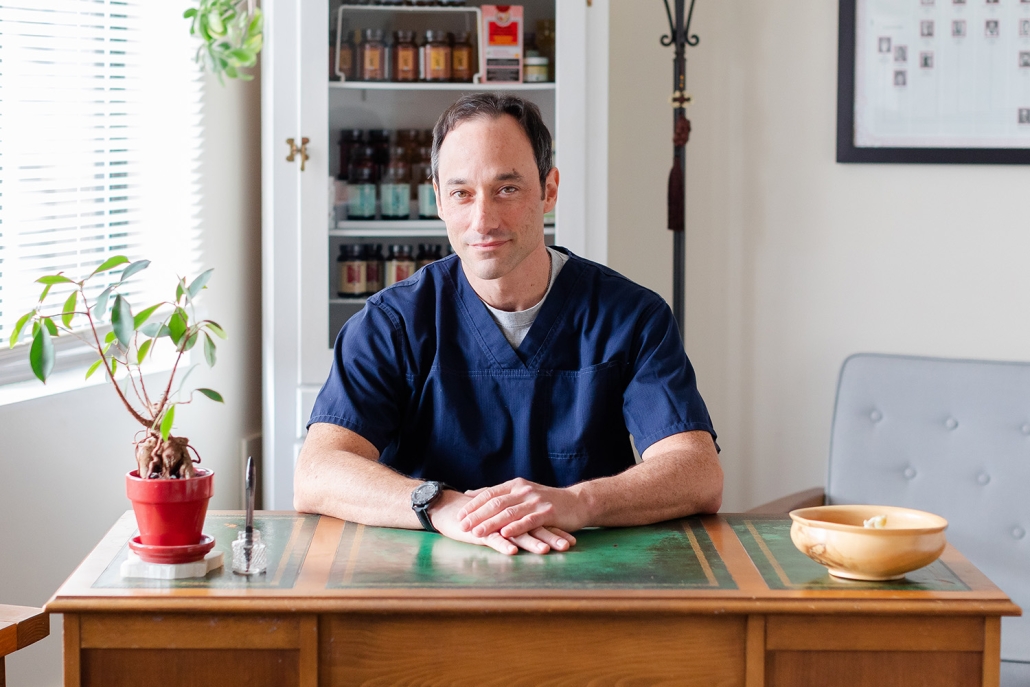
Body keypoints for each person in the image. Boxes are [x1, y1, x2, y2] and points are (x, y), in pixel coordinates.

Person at [294, 93, 723, 556]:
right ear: (438, 198)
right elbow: (317, 472)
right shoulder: (391, 323)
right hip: (424, 588)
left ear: (549, 189)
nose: (483, 220)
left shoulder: (631, 318)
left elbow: (698, 472)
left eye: (507, 189)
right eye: (461, 193)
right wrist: (441, 506)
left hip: (584, 580)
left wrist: (577, 503)